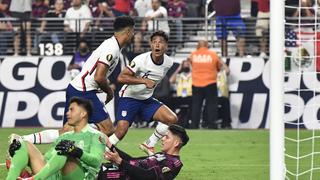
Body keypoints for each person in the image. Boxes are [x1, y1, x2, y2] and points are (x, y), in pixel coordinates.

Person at [21, 16, 135, 145]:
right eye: (133, 31)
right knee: (107, 129)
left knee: (67, 133)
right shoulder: (112, 48)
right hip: (84, 91)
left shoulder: (112, 44)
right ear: (128, 32)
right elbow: (99, 76)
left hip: (80, 88)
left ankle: (22, 140)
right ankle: (85, 151)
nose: (133, 35)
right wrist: (109, 91)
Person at [107, 31, 178, 155]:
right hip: (129, 97)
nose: (157, 45)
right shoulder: (141, 60)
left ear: (166, 45)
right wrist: (144, 81)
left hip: (146, 100)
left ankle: (148, 144)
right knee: (121, 130)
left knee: (171, 119)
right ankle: (101, 152)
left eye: (160, 42)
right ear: (150, 45)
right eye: (154, 42)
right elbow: (121, 78)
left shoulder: (168, 63)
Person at [6, 97, 106, 180]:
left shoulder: (96, 135)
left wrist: (77, 152)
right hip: (54, 176)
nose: (67, 113)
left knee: (65, 151)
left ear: (83, 114)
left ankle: (33, 179)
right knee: (23, 143)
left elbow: (96, 161)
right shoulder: (64, 136)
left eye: (71, 110)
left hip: (81, 177)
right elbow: (48, 159)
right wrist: (24, 155)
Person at [98, 124, 189, 180]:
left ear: (176, 143)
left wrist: (119, 161)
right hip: (104, 170)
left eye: (167, 137)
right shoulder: (161, 155)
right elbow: (132, 160)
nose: (162, 139)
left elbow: (147, 176)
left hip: (109, 176)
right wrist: (109, 145)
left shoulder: (173, 164)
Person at [189, 40, 229, 129]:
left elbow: (191, 65)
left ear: (198, 45)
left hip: (196, 83)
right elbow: (218, 67)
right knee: (211, 106)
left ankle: (194, 125)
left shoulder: (193, 55)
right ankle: (212, 125)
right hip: (210, 83)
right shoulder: (213, 54)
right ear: (207, 45)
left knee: (196, 106)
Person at [169, 59, 192, 128]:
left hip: (190, 97)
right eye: (185, 65)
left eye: (188, 64)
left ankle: (189, 122)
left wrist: (191, 67)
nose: (186, 66)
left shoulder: (193, 75)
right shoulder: (179, 76)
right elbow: (171, 80)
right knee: (169, 102)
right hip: (179, 97)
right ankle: (172, 121)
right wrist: (178, 69)